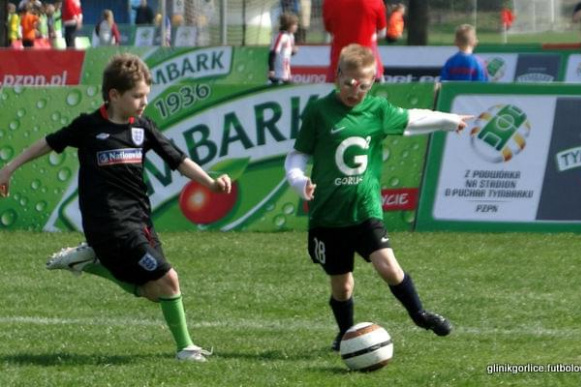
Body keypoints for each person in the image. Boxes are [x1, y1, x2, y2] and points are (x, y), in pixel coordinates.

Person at [0, 53, 232, 362]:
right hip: (110, 225)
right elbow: (48, 142)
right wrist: (9, 168)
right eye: (137, 96)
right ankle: (185, 348)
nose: (144, 101)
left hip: (141, 222)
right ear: (114, 95)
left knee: (155, 291)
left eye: (146, 95)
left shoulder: (143, 128)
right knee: (170, 279)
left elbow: (178, 160)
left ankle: (94, 263)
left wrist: (211, 184)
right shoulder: (88, 126)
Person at [284, 44, 472, 351]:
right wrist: (298, 180)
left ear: (372, 83)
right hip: (328, 216)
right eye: (348, 83)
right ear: (338, 75)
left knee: (388, 266)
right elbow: (297, 155)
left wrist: (449, 120)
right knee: (342, 286)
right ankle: (346, 336)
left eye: (363, 85)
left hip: (365, 210)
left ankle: (420, 314)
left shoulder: (377, 110)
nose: (354, 90)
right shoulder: (319, 112)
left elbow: (412, 118)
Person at [323, 0, 387, 82]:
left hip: (339, 66)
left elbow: (330, 31)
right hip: (367, 68)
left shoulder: (329, 2)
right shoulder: (375, 1)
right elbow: (382, 33)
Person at [268, 11, 299, 84]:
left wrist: (293, 52)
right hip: (278, 72)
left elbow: (286, 54)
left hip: (286, 71)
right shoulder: (281, 36)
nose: (296, 26)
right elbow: (273, 53)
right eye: (294, 24)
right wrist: (271, 70)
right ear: (288, 25)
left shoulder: (291, 36)